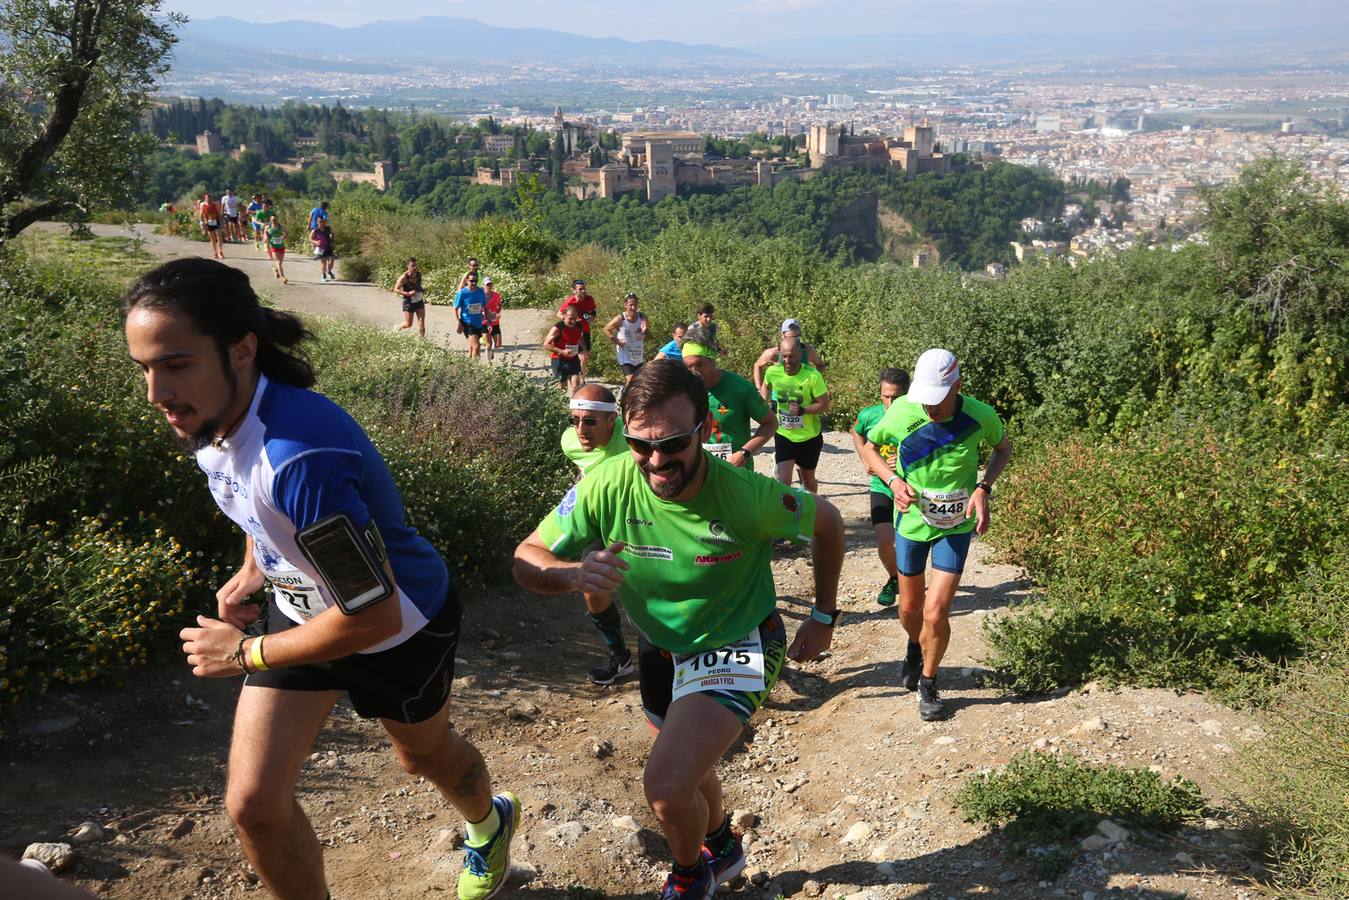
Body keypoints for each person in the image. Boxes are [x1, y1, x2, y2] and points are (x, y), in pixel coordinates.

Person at [123, 257, 519, 900]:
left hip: (400, 631)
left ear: (242, 349)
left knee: (422, 757)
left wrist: (245, 653)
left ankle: (489, 821)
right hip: (304, 615)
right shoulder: (213, 415)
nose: (156, 393)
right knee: (254, 804)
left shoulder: (299, 456)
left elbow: (374, 616)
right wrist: (255, 567)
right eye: (144, 368)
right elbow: (252, 501)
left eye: (174, 364)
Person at [512, 360, 844, 899]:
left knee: (666, 789)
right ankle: (722, 842)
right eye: (641, 446)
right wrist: (573, 575)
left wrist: (824, 616)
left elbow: (827, 523)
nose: (657, 461)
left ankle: (692, 875)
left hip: (739, 641)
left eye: (673, 444)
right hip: (661, 647)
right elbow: (527, 557)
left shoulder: (748, 495)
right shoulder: (607, 483)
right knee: (682, 764)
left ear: (705, 432)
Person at [858, 348, 1012, 722]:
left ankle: (928, 682)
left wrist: (983, 488)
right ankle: (915, 645)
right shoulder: (903, 410)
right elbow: (869, 448)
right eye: (925, 400)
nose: (931, 408)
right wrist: (892, 480)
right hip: (911, 523)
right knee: (910, 611)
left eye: (938, 400)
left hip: (955, 526)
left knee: (936, 611)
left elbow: (1003, 448)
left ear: (957, 385)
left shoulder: (980, 415)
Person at [558, 385, 636, 684]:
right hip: (601, 522)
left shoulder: (630, 438)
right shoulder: (569, 441)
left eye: (589, 421)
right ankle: (619, 657)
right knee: (592, 587)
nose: (580, 429)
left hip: (639, 521)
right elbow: (584, 469)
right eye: (574, 420)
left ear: (612, 420)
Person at [851, 368, 911, 607]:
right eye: (885, 396)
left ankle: (910, 584)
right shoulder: (870, 415)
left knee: (908, 543)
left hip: (908, 488)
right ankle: (895, 578)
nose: (889, 402)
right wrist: (865, 458)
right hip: (881, 485)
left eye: (895, 397)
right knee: (885, 541)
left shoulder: (917, 415)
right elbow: (857, 433)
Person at [680, 326, 776, 470]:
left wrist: (744, 453)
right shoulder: (683, 390)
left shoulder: (740, 388)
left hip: (736, 471)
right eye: (688, 367)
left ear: (712, 360)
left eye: (699, 364)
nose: (694, 372)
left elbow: (771, 423)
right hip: (700, 470)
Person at [761, 337, 830, 493]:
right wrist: (762, 404)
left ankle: (813, 509)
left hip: (809, 437)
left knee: (808, 480)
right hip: (784, 434)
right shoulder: (772, 372)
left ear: (800, 355)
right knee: (783, 479)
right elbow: (766, 386)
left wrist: (803, 410)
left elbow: (824, 405)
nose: (787, 360)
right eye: (784, 356)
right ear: (779, 355)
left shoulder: (812, 375)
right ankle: (787, 515)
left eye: (791, 356)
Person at [752, 319, 824, 392]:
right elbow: (757, 365)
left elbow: (820, 366)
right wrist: (759, 389)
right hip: (779, 399)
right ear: (782, 336)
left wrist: (813, 383)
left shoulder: (807, 350)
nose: (793, 341)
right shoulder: (774, 353)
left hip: (803, 398)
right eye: (790, 338)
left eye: (797, 338)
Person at [603, 292, 649, 384]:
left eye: (635, 305)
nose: (633, 308)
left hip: (638, 353)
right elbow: (606, 329)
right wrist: (617, 341)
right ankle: (627, 395)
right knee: (631, 380)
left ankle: (624, 392)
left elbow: (647, 335)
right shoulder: (620, 318)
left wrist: (646, 331)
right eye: (630, 305)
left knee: (639, 381)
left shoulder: (642, 317)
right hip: (625, 354)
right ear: (625, 305)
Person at [544, 305, 585, 395]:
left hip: (573, 359)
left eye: (575, 318)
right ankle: (558, 406)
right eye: (570, 319)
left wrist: (583, 349)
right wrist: (562, 351)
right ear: (564, 316)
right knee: (562, 388)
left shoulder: (578, 326)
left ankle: (574, 407)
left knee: (576, 386)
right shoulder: (558, 328)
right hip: (558, 360)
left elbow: (579, 339)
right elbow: (546, 344)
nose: (573, 321)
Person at [559, 280, 597, 376]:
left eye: (584, 288)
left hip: (585, 331)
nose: (583, 291)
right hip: (574, 332)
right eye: (580, 289)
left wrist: (592, 317)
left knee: (586, 357)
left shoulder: (589, 299)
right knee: (578, 356)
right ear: (574, 291)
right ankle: (576, 377)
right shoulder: (570, 301)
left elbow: (593, 312)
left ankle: (581, 376)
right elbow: (559, 314)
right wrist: (572, 320)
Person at [454, 272, 488, 360]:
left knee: (476, 347)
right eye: (472, 281)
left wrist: (488, 322)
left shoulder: (481, 292)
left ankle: (470, 363)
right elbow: (455, 309)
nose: (474, 283)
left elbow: (486, 307)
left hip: (479, 323)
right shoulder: (462, 293)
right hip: (467, 323)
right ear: (466, 281)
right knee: (476, 346)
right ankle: (475, 369)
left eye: (476, 281)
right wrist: (458, 323)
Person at [393, 257, 426, 337]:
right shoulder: (404, 278)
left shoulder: (419, 275)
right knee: (408, 324)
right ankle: (397, 327)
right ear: (408, 267)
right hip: (408, 302)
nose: (415, 268)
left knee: (421, 321)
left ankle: (422, 341)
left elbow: (418, 286)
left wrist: (422, 290)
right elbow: (395, 289)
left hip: (418, 301)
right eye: (413, 266)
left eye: (416, 266)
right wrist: (407, 294)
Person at [197, 192, 225, 260]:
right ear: (205, 199)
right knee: (212, 239)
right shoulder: (203, 205)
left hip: (216, 222)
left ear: (211, 198)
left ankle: (220, 252)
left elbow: (219, 213)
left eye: (209, 198)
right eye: (207, 198)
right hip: (208, 223)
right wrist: (201, 223)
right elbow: (201, 214)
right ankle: (215, 252)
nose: (208, 199)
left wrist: (222, 222)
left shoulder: (215, 204)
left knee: (219, 237)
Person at [482, 276, 503, 358]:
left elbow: (500, 305)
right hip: (484, 322)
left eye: (490, 284)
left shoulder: (496, 295)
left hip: (495, 321)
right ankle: (489, 362)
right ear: (483, 285)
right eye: (487, 284)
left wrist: (498, 312)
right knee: (488, 344)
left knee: (498, 344)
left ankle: (491, 351)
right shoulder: (480, 296)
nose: (489, 286)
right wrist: (482, 313)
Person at [265, 215, 287, 284]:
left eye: (275, 220)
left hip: (281, 246)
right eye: (272, 220)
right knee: (278, 262)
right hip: (274, 247)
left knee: (280, 262)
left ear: (277, 220)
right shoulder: (268, 227)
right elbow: (267, 238)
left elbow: (285, 233)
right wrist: (268, 250)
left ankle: (276, 270)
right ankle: (283, 277)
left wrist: (282, 238)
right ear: (270, 220)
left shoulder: (281, 227)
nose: (274, 221)